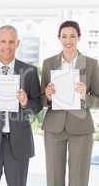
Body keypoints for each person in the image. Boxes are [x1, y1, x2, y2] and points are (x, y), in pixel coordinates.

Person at [0, 25, 42, 186]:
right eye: (3, 41)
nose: (7, 46)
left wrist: (25, 103)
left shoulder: (30, 71)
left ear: (18, 44)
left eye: (11, 41)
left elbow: (37, 106)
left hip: (18, 143)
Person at [41, 20, 99, 186]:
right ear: (59, 38)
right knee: (54, 179)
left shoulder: (91, 64)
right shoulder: (48, 63)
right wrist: (48, 96)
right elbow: (41, 99)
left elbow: (98, 99)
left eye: (72, 36)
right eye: (64, 36)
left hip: (81, 127)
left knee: (79, 179)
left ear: (79, 37)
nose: (68, 40)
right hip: (53, 127)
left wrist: (84, 97)